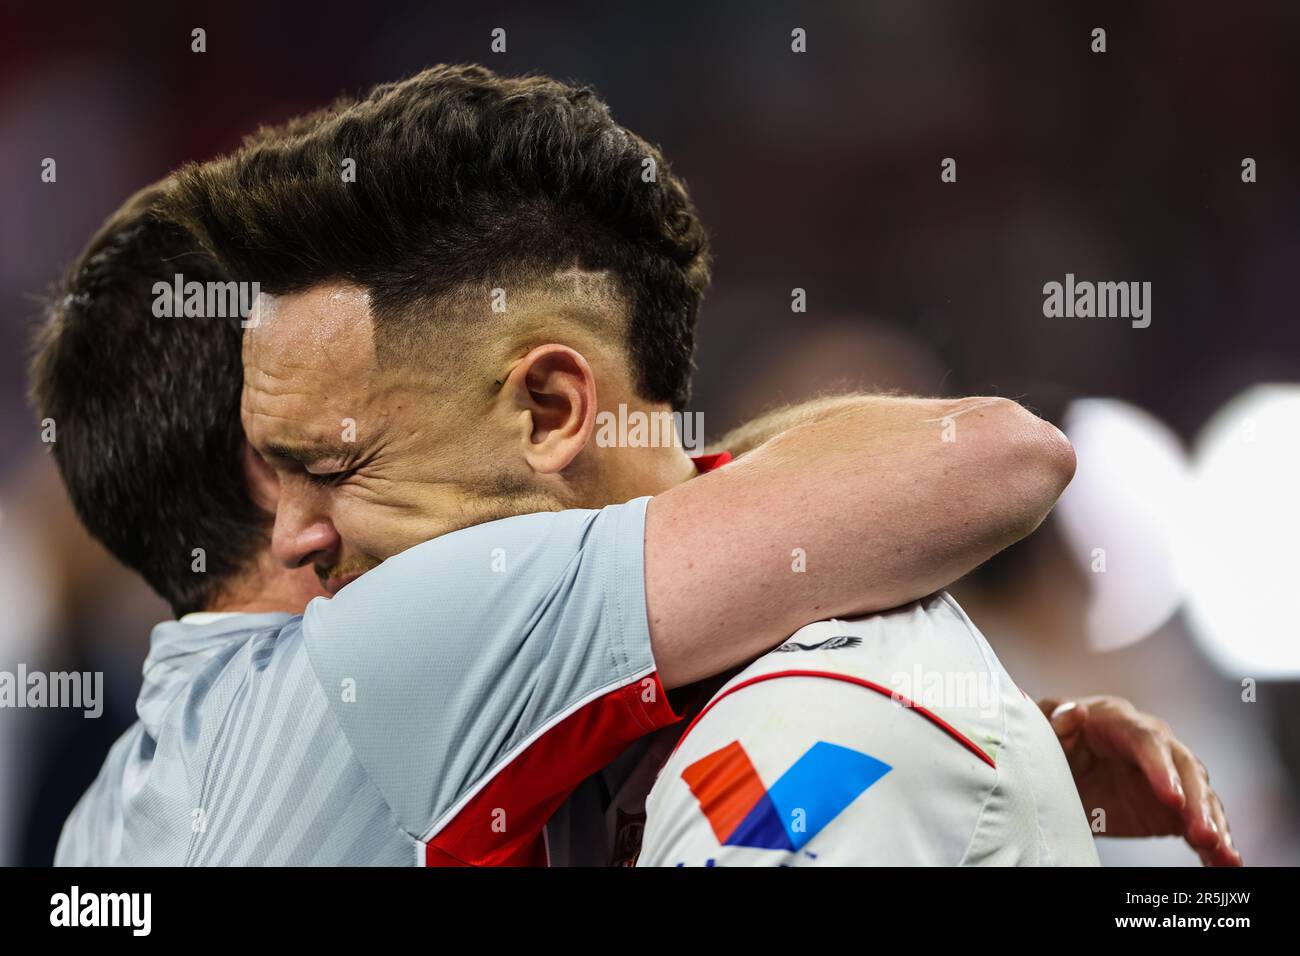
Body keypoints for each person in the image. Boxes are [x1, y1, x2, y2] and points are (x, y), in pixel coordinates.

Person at [165, 63, 1238, 866]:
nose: (290, 539)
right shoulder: (447, 707)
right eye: (277, 475)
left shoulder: (809, 755)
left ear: (550, 410)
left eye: (339, 466)